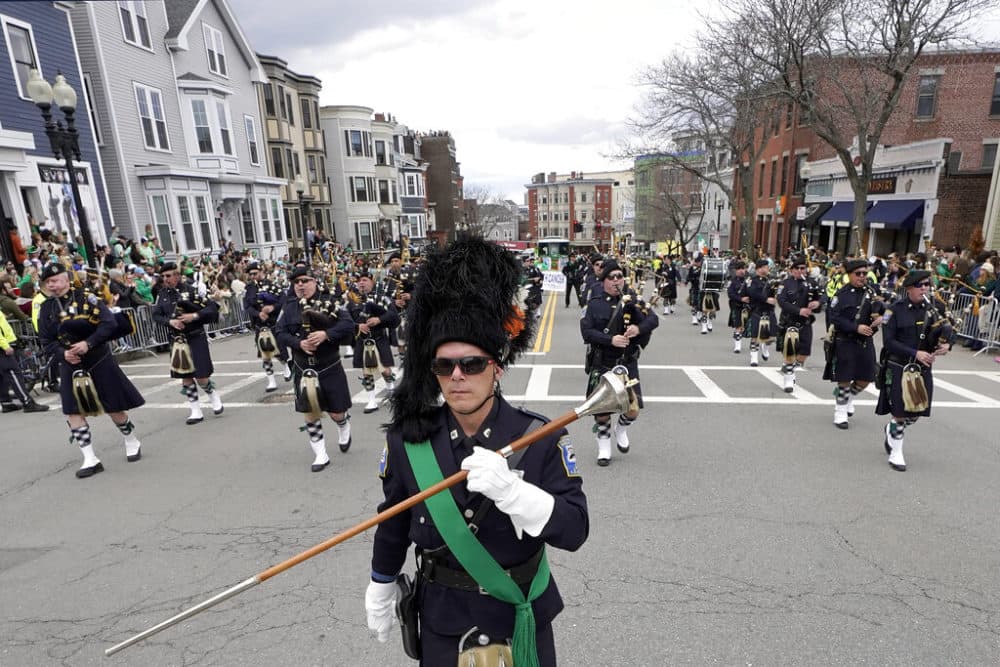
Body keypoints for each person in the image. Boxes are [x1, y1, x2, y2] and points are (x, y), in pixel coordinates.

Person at [365, 238, 583, 667]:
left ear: (497, 367)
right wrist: (381, 582)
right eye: (444, 366)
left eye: (473, 364)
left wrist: (516, 495)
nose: (458, 377)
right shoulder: (410, 441)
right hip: (443, 623)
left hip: (518, 618)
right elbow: (393, 520)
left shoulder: (538, 437)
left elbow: (575, 530)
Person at [37, 263, 144, 477]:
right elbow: (46, 340)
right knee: (73, 410)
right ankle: (90, 458)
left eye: (55, 280)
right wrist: (62, 353)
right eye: (48, 282)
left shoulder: (87, 298)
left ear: (66, 279)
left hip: (98, 358)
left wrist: (89, 343)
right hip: (70, 364)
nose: (52, 285)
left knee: (114, 406)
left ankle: (131, 440)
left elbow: (108, 324)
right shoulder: (47, 308)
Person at [274, 266, 355, 471]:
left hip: (329, 366)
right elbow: (280, 332)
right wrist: (297, 344)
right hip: (304, 368)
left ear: (314, 281)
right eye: (296, 282)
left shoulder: (332, 301)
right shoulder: (289, 306)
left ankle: (343, 424)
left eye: (304, 280)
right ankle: (321, 454)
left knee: (336, 412)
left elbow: (348, 324)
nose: (300, 285)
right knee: (310, 413)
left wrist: (326, 335)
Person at [580, 259, 659, 465]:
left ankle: (621, 429)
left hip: (627, 363)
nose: (617, 280)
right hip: (603, 362)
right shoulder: (595, 303)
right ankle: (604, 445)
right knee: (602, 412)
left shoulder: (632, 300)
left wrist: (638, 329)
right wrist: (610, 339)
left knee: (633, 409)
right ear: (603, 281)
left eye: (619, 276)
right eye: (611, 277)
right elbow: (586, 332)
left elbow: (654, 319)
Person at [876, 270, 951, 471]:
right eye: (920, 285)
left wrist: (946, 346)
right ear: (909, 288)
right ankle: (896, 452)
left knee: (916, 410)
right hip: (900, 365)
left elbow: (944, 331)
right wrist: (915, 352)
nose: (925, 288)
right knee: (900, 411)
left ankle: (892, 429)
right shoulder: (894, 310)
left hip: (922, 368)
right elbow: (889, 342)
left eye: (927, 284)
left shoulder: (934, 309)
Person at [151, 262, 223, 424]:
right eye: (163, 276)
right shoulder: (162, 294)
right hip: (177, 341)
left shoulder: (191, 290)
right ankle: (195, 410)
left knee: (201, 375)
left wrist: (194, 316)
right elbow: (156, 315)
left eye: (168, 276)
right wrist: (170, 322)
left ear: (177, 275)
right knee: (186, 376)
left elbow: (211, 308)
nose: (165, 279)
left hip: (195, 336)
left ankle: (213, 395)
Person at [824, 258, 884, 429]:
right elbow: (834, 317)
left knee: (866, 379)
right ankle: (840, 411)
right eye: (858, 274)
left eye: (865, 273)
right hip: (845, 340)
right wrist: (856, 327)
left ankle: (848, 398)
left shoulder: (872, 293)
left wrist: (882, 318)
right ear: (849, 275)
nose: (862, 276)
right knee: (844, 378)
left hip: (865, 342)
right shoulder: (841, 295)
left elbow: (889, 311)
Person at [348, 270, 400, 413]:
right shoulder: (352, 301)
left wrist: (379, 319)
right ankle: (371, 399)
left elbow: (393, 315)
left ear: (372, 282)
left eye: (364, 280)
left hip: (378, 338)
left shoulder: (381, 298)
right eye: (359, 281)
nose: (361, 283)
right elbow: (344, 321)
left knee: (385, 370)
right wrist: (358, 326)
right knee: (367, 372)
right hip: (362, 341)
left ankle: (391, 389)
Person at [776, 255, 822, 392]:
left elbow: (821, 298)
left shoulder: (812, 283)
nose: (802, 271)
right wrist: (798, 310)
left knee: (804, 353)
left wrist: (818, 303)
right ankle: (789, 378)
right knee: (790, 350)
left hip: (806, 322)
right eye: (799, 268)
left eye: (804, 268)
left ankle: (791, 367)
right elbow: (782, 301)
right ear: (792, 270)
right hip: (790, 321)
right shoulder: (785, 284)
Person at [243, 261, 290, 392]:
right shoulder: (249, 289)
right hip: (260, 325)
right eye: (250, 274)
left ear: (261, 272)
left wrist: (272, 307)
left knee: (279, 350)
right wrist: (258, 314)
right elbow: (247, 306)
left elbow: (283, 300)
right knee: (265, 354)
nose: (252, 276)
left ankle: (286, 366)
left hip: (273, 323)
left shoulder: (272, 285)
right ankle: (271, 380)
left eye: (255, 273)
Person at [0, 308, 49, 413]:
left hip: (4, 344)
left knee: (3, 375)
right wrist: (5, 346)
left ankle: (6, 402)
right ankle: (27, 402)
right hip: (2, 347)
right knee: (13, 372)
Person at [742, 258, 777, 367]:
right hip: (756, 310)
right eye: (766, 267)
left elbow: (775, 292)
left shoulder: (770, 280)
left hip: (769, 310)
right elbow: (752, 293)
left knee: (771, 336)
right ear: (760, 268)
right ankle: (754, 357)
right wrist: (766, 299)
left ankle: (765, 347)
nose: (768, 269)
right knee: (754, 336)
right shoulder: (751, 280)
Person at [726, 259, 748, 353]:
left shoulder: (750, 280)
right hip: (736, 305)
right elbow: (730, 294)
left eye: (743, 268)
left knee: (748, 327)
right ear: (736, 270)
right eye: (739, 269)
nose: (741, 271)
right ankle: (737, 345)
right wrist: (740, 299)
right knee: (738, 326)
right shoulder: (732, 281)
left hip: (748, 307)